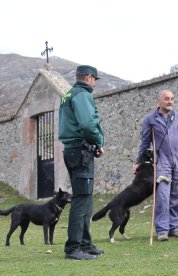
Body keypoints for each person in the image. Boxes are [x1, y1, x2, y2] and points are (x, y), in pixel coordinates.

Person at [133, 89, 178, 241]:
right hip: (162, 162)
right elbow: (144, 142)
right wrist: (138, 162)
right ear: (159, 101)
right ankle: (162, 230)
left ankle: (173, 228)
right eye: (166, 99)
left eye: (172, 99)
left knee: (176, 196)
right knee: (162, 196)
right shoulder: (151, 119)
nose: (170, 101)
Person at [59, 65, 105, 260]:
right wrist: (98, 141)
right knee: (81, 199)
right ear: (88, 77)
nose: (95, 83)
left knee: (85, 198)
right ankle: (73, 248)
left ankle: (85, 244)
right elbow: (87, 124)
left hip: (73, 151)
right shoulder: (82, 94)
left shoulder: (68, 95)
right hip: (81, 151)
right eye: (95, 79)